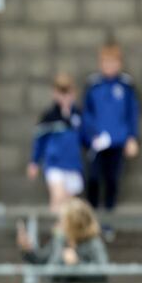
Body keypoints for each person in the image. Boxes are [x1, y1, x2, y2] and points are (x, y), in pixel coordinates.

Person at [82, 43, 140, 213]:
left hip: (117, 142)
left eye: (113, 62)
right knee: (93, 179)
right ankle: (91, 219)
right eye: (106, 62)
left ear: (119, 63)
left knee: (112, 180)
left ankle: (108, 222)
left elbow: (132, 113)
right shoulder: (93, 85)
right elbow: (87, 113)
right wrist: (91, 135)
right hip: (97, 143)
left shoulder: (126, 86)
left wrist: (132, 137)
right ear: (100, 64)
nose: (109, 66)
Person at [27, 73, 85, 214]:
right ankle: (56, 233)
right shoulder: (50, 116)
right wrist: (34, 161)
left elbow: (85, 138)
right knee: (57, 197)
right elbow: (40, 139)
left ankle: (66, 233)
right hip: (55, 164)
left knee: (70, 205)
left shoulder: (78, 115)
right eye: (61, 93)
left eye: (68, 93)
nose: (64, 97)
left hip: (72, 165)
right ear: (55, 93)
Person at [17, 198, 108, 283]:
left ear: (75, 223)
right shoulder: (59, 239)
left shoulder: (93, 243)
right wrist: (27, 250)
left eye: (64, 220)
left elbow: (102, 273)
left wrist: (77, 264)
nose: (60, 223)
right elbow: (41, 260)